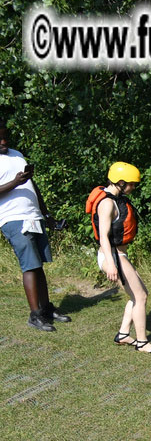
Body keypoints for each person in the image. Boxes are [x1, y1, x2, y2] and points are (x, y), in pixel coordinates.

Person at [0, 123, 69, 332]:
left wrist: (47, 215)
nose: (4, 142)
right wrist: (15, 182)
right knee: (29, 265)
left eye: (5, 137)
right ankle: (34, 315)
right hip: (12, 218)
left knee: (38, 264)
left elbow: (32, 185)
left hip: (33, 215)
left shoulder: (16, 154)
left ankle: (46, 308)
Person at [89, 161, 151, 354]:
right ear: (120, 182)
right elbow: (104, 236)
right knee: (140, 296)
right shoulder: (107, 203)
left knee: (139, 292)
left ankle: (123, 334)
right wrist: (111, 264)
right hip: (112, 255)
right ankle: (142, 342)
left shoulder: (117, 197)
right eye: (131, 183)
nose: (134, 187)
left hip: (119, 254)